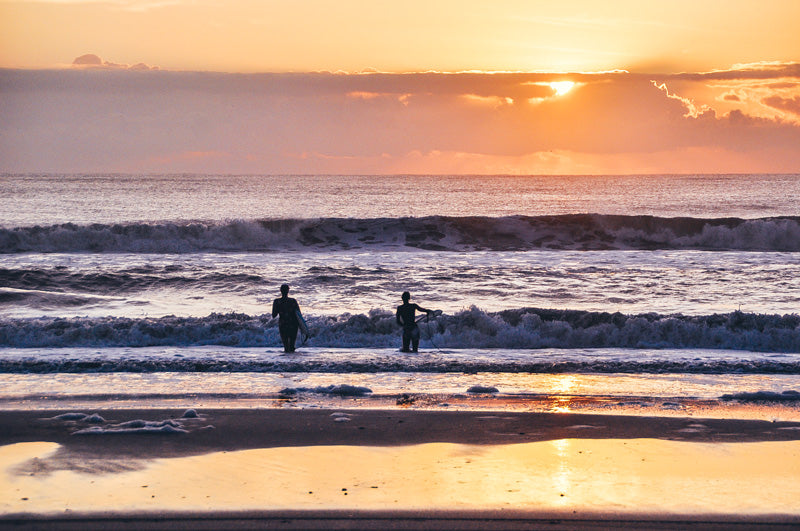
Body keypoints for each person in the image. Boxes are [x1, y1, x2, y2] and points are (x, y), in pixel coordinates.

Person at [272, 284, 301, 353]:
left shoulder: (277, 301)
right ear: (288, 290)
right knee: (292, 346)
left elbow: (274, 315)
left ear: (280, 291)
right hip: (293, 325)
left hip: (283, 325)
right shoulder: (293, 301)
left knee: (286, 347)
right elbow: (299, 314)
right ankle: (292, 362)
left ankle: (286, 361)